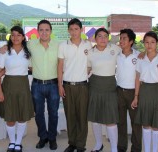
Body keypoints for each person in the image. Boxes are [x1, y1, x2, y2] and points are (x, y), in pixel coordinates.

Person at [132, 31, 158, 152]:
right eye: (147, 42)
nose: (149, 45)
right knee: (146, 123)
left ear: (157, 43)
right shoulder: (140, 58)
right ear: (144, 43)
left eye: (152, 42)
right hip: (144, 91)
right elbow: (137, 78)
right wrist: (136, 96)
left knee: (156, 124)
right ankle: (147, 150)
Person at [58, 18, 92, 152]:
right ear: (68, 30)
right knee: (70, 115)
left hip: (83, 86)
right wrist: (60, 85)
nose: (74, 32)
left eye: (76, 29)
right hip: (67, 86)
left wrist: (85, 71)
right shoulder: (63, 45)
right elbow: (60, 66)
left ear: (81, 30)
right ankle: (72, 143)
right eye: (71, 29)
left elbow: (91, 63)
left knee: (82, 117)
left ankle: (80, 145)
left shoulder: (87, 45)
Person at [0, 26, 34, 152]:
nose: (16, 37)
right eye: (13, 35)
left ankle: (18, 143)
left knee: (22, 116)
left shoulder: (28, 52)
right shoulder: (5, 52)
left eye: (19, 35)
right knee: (10, 116)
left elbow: (33, 68)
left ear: (23, 37)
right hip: (8, 85)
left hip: (23, 85)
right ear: (10, 37)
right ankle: (12, 142)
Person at [87, 27, 120, 152]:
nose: (103, 39)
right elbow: (87, 68)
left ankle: (114, 148)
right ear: (95, 39)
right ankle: (98, 144)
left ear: (108, 38)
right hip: (95, 85)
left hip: (110, 86)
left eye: (105, 36)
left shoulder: (115, 49)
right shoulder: (90, 52)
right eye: (99, 36)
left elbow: (129, 51)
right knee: (95, 118)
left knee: (111, 119)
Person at [28, 19, 59, 150]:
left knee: (53, 113)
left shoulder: (58, 45)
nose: (44, 32)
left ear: (51, 31)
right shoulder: (31, 44)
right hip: (37, 85)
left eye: (47, 30)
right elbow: (16, 45)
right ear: (38, 31)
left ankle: (52, 138)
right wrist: (5, 47)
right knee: (39, 113)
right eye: (41, 30)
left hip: (53, 85)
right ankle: (43, 137)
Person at [116, 29, 142, 152]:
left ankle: (136, 148)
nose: (121, 41)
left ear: (131, 41)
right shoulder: (117, 54)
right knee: (120, 122)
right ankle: (121, 147)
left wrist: (137, 95)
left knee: (135, 123)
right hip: (119, 91)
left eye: (124, 38)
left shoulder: (139, 55)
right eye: (120, 38)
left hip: (133, 93)